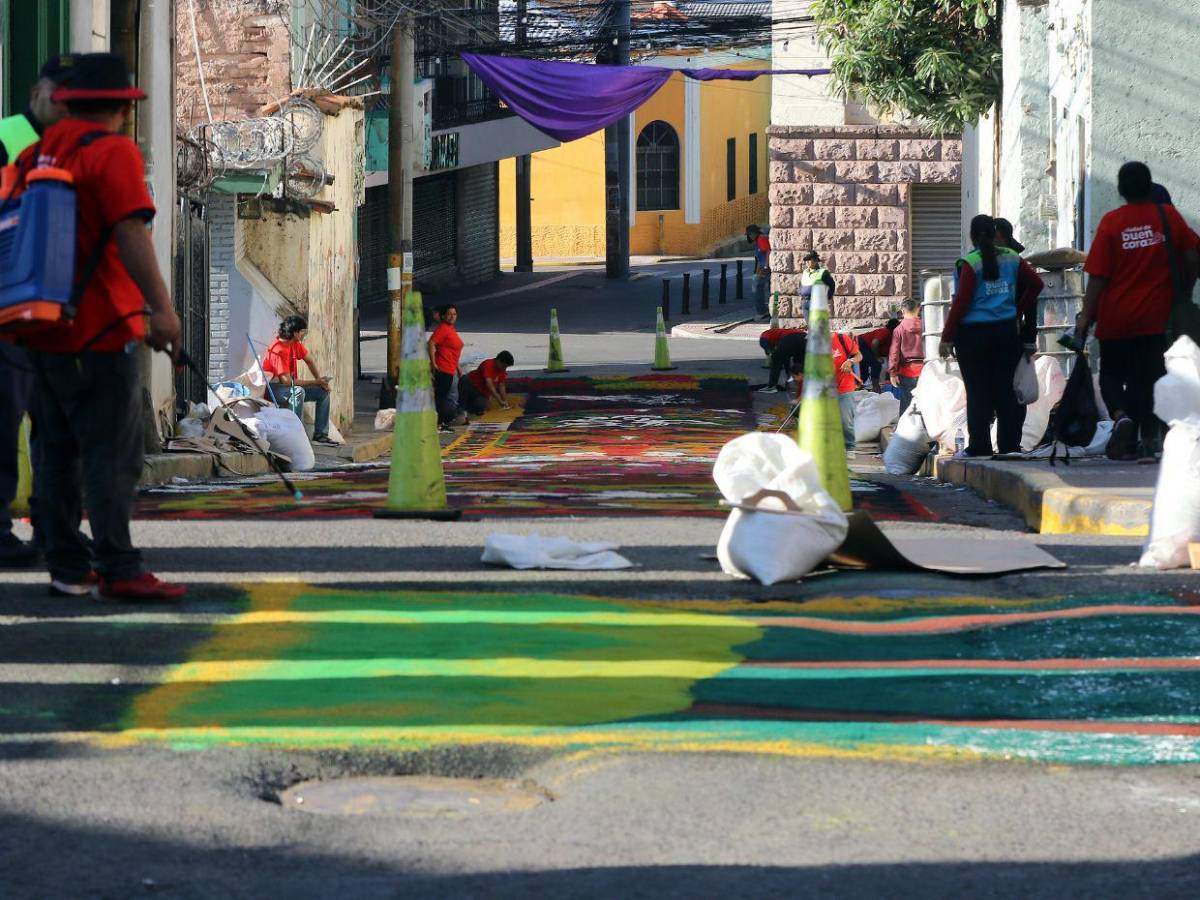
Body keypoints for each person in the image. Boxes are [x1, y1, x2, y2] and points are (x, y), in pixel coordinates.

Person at [17, 53, 184, 600]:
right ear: (121, 107)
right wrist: (162, 310)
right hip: (102, 330)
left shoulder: (35, 154)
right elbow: (130, 234)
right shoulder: (113, 153)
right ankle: (119, 566)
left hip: (43, 327)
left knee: (55, 452)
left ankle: (67, 567)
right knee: (112, 455)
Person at [0, 55, 74, 568]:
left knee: (56, 425)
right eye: (58, 92)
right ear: (37, 93)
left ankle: (54, 530)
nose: (66, 103)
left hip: (57, 312)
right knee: (6, 422)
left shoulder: (76, 146)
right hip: (11, 310)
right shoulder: (7, 137)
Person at [1077, 161, 1200, 460]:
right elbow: (1192, 255)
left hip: (1114, 317)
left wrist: (1086, 316)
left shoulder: (1111, 222)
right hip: (1154, 318)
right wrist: (1183, 288)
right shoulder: (1167, 216)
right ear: (1149, 184)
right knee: (1147, 378)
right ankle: (1146, 439)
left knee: (1110, 375)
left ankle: (1121, 417)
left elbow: (1098, 277)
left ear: (1121, 189)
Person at [940, 215, 1044, 458]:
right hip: (1006, 332)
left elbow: (961, 302)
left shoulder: (969, 263)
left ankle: (980, 446)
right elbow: (1036, 285)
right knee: (1006, 390)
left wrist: (947, 337)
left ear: (972, 237)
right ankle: (1009, 447)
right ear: (995, 233)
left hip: (973, 336)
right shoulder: (1013, 258)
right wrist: (1016, 310)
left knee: (977, 391)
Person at [262, 315, 335, 446]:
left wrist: (320, 381)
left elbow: (309, 361)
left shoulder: (295, 344)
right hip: (273, 389)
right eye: (302, 331)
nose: (304, 334)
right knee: (298, 392)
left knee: (323, 392)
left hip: (287, 386)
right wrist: (315, 382)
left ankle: (320, 435)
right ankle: (296, 436)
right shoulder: (278, 349)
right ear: (295, 333)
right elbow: (286, 381)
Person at [429, 303, 466, 428]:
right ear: (443, 316)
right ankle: (440, 423)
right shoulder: (443, 328)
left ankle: (444, 421)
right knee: (441, 398)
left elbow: (452, 350)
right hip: (443, 368)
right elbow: (431, 343)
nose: (452, 316)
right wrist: (433, 363)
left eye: (454, 314)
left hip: (450, 368)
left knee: (446, 397)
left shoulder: (450, 328)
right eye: (449, 314)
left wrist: (457, 366)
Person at [888, 299, 925, 415]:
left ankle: (905, 426)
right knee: (926, 405)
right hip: (926, 371)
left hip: (907, 372)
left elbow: (894, 353)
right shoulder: (926, 326)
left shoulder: (899, 329)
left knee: (906, 406)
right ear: (918, 310)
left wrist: (892, 373)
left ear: (903, 311)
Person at [832, 331, 862, 451]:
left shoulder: (841, 338)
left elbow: (859, 356)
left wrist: (850, 361)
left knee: (845, 419)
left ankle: (850, 447)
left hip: (845, 385)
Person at [856, 319, 898, 391]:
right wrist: (877, 357)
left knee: (864, 372)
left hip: (865, 347)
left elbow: (890, 356)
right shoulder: (885, 332)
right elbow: (874, 343)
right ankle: (875, 387)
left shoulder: (892, 338)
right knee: (876, 364)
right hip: (862, 344)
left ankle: (857, 388)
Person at [799, 251, 836, 320]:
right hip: (805, 302)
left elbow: (832, 285)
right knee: (809, 323)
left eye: (809, 260)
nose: (807, 262)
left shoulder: (822, 272)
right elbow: (802, 285)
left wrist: (827, 298)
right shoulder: (805, 272)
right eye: (806, 260)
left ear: (815, 261)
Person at [746, 224, 771, 319]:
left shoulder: (761, 239)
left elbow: (768, 251)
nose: (749, 236)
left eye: (750, 234)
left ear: (754, 233)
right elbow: (759, 259)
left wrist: (766, 266)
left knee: (757, 288)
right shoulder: (758, 240)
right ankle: (764, 310)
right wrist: (757, 272)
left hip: (766, 269)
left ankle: (762, 311)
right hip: (763, 268)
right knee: (758, 287)